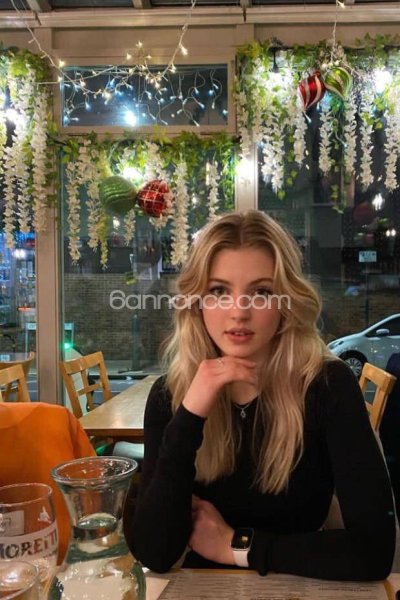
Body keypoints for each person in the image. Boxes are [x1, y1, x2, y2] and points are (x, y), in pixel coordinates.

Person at [124, 210, 395, 581]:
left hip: (303, 585)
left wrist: (237, 546)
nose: (239, 312)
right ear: (197, 302)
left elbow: (374, 552)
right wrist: (190, 415)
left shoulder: (327, 386)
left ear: (285, 302)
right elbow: (154, 552)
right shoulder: (169, 396)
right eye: (219, 291)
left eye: (261, 292)